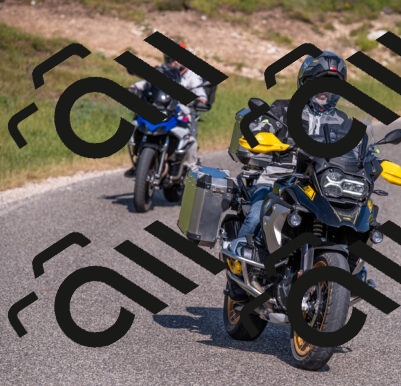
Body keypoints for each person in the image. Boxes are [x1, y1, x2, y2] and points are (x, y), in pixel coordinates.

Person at [227, 50, 368, 302]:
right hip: (280, 177)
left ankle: (351, 270)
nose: (325, 91)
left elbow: (361, 149)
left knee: (359, 216)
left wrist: (375, 159)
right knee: (257, 212)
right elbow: (262, 125)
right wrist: (262, 134)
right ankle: (240, 265)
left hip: (320, 183)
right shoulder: (283, 109)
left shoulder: (344, 122)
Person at [124, 41, 208, 178]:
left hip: (181, 112)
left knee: (191, 142)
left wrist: (197, 101)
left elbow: (201, 95)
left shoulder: (192, 76)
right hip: (161, 108)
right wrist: (133, 89)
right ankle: (139, 161)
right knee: (137, 122)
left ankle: (189, 170)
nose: (174, 62)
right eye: (171, 58)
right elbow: (144, 83)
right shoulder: (161, 71)